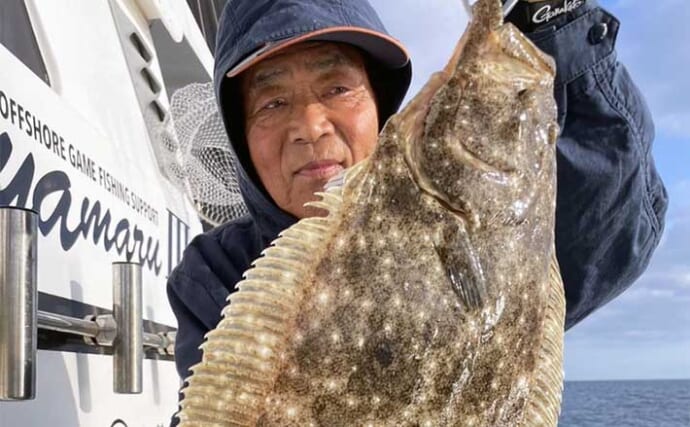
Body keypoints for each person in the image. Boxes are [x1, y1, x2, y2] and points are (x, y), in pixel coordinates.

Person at [168, 0, 667, 395]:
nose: (310, 126)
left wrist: (552, 13)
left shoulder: (493, 230)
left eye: (337, 87)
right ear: (240, 133)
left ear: (381, 110)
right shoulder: (215, 272)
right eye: (273, 102)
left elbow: (609, 217)